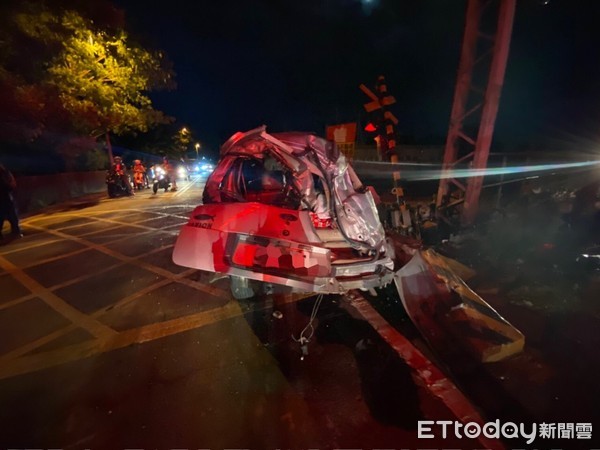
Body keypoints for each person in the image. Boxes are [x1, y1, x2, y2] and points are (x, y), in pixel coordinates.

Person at [0, 164, 22, 240]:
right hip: (5, 197)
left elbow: (11, 182)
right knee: (5, 216)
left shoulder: (4, 172)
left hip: (6, 196)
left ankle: (16, 231)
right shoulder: (5, 172)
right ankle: (16, 231)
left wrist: (10, 186)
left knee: (12, 216)